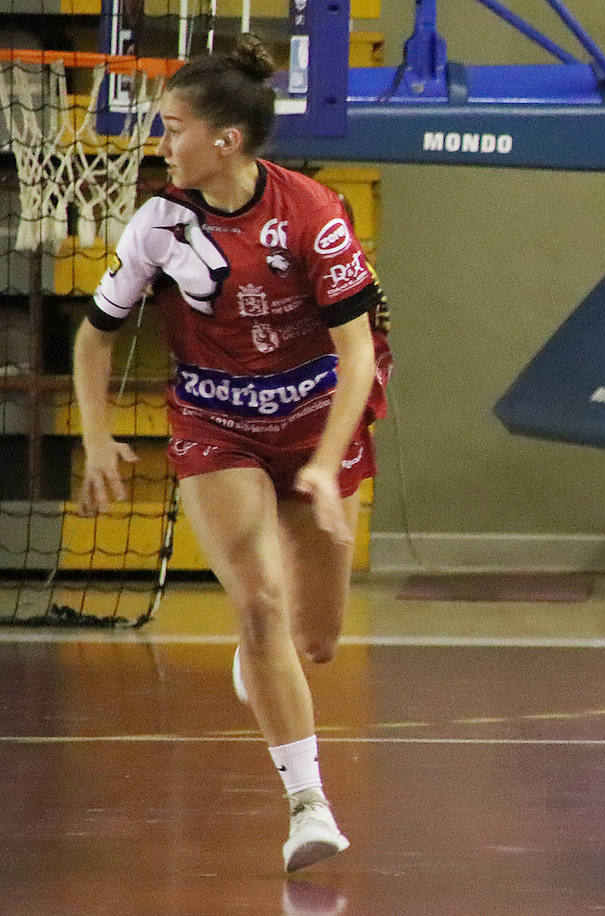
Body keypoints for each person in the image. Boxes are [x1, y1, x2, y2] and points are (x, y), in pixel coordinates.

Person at [73, 34, 392, 872]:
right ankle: (307, 804)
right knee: (256, 604)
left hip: (315, 416)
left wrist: (324, 463)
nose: (160, 141)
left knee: (315, 640)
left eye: (172, 126)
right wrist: (100, 436)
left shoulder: (314, 216)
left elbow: (357, 354)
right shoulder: (158, 224)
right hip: (217, 424)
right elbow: (94, 339)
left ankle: (265, 659)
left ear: (228, 141)